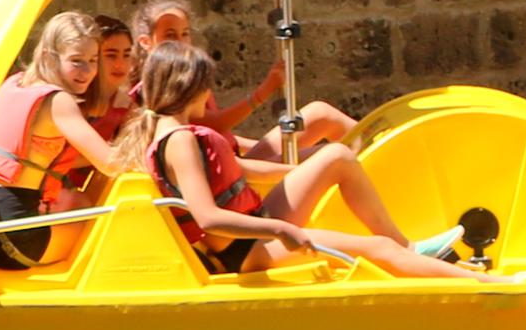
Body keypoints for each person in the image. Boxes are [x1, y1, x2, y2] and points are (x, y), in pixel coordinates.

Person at [135, 39, 468, 282]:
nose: (209, 95)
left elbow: (241, 169)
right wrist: (280, 229)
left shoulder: (177, 134)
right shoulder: (178, 141)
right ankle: (488, 285)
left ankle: (408, 248)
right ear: (190, 87)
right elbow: (207, 218)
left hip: (255, 227)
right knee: (376, 248)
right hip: (244, 251)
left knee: (335, 156)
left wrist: (304, 170)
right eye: (206, 87)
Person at [0, 11, 157, 270]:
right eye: (77, 61)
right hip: (12, 244)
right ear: (48, 57)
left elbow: (33, 160)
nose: (87, 72)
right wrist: (146, 125)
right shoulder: (58, 101)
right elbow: (111, 164)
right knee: (101, 223)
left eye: (93, 60)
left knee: (78, 203)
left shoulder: (15, 83)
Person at [139, 0, 285, 134]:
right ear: (146, 42)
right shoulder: (160, 84)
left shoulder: (192, 71)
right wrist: (265, 90)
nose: (181, 42)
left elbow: (220, 138)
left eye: (185, 34)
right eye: (170, 35)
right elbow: (216, 125)